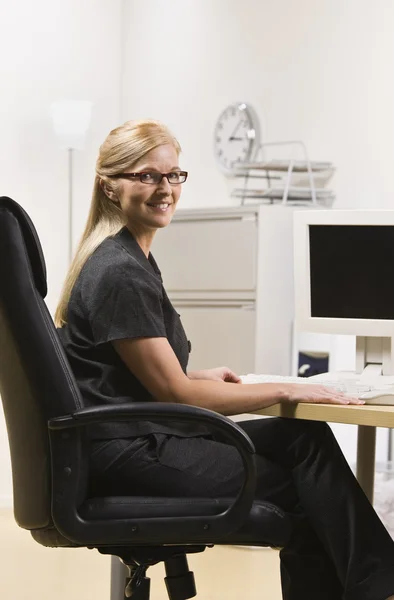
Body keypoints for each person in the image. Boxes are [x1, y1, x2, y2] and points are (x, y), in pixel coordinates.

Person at [55, 119, 394, 600]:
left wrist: (197, 373)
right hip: (131, 452)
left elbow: (130, 374)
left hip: (138, 435)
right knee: (304, 493)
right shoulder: (118, 272)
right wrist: (285, 388)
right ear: (110, 187)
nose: (165, 188)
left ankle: (376, 582)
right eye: (147, 176)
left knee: (303, 437)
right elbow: (177, 395)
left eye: (174, 175)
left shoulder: (128, 258)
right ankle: (378, 586)